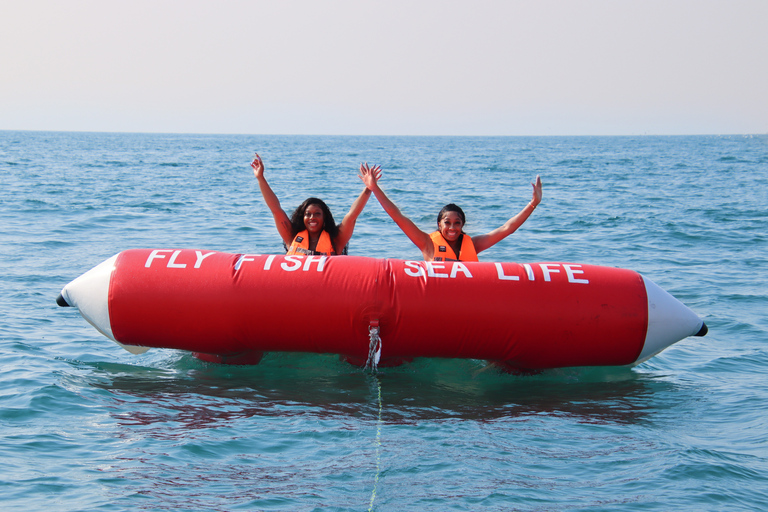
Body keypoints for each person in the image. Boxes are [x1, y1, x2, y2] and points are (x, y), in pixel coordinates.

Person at [358, 163, 542, 261]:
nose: (452, 227)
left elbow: (506, 228)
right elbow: (397, 216)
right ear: (439, 224)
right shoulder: (427, 243)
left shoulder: (474, 245)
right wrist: (374, 188)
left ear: (463, 225)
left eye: (457, 223)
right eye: (447, 222)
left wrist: (533, 203)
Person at [251, 153, 373, 255]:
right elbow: (275, 209)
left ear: (324, 217)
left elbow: (352, 216)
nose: (312, 217)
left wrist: (368, 188)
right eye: (307, 214)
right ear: (302, 217)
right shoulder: (291, 236)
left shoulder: (336, 239)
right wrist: (260, 178)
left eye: (317, 214)